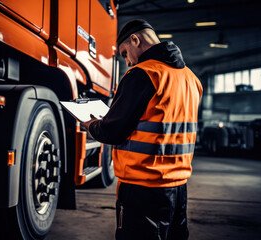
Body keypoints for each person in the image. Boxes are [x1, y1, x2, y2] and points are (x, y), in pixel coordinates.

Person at [81, 19, 203, 240]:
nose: (127, 62)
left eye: (125, 53)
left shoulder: (143, 74)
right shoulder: (191, 79)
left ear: (135, 40)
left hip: (143, 189)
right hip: (178, 188)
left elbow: (113, 131)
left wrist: (92, 125)